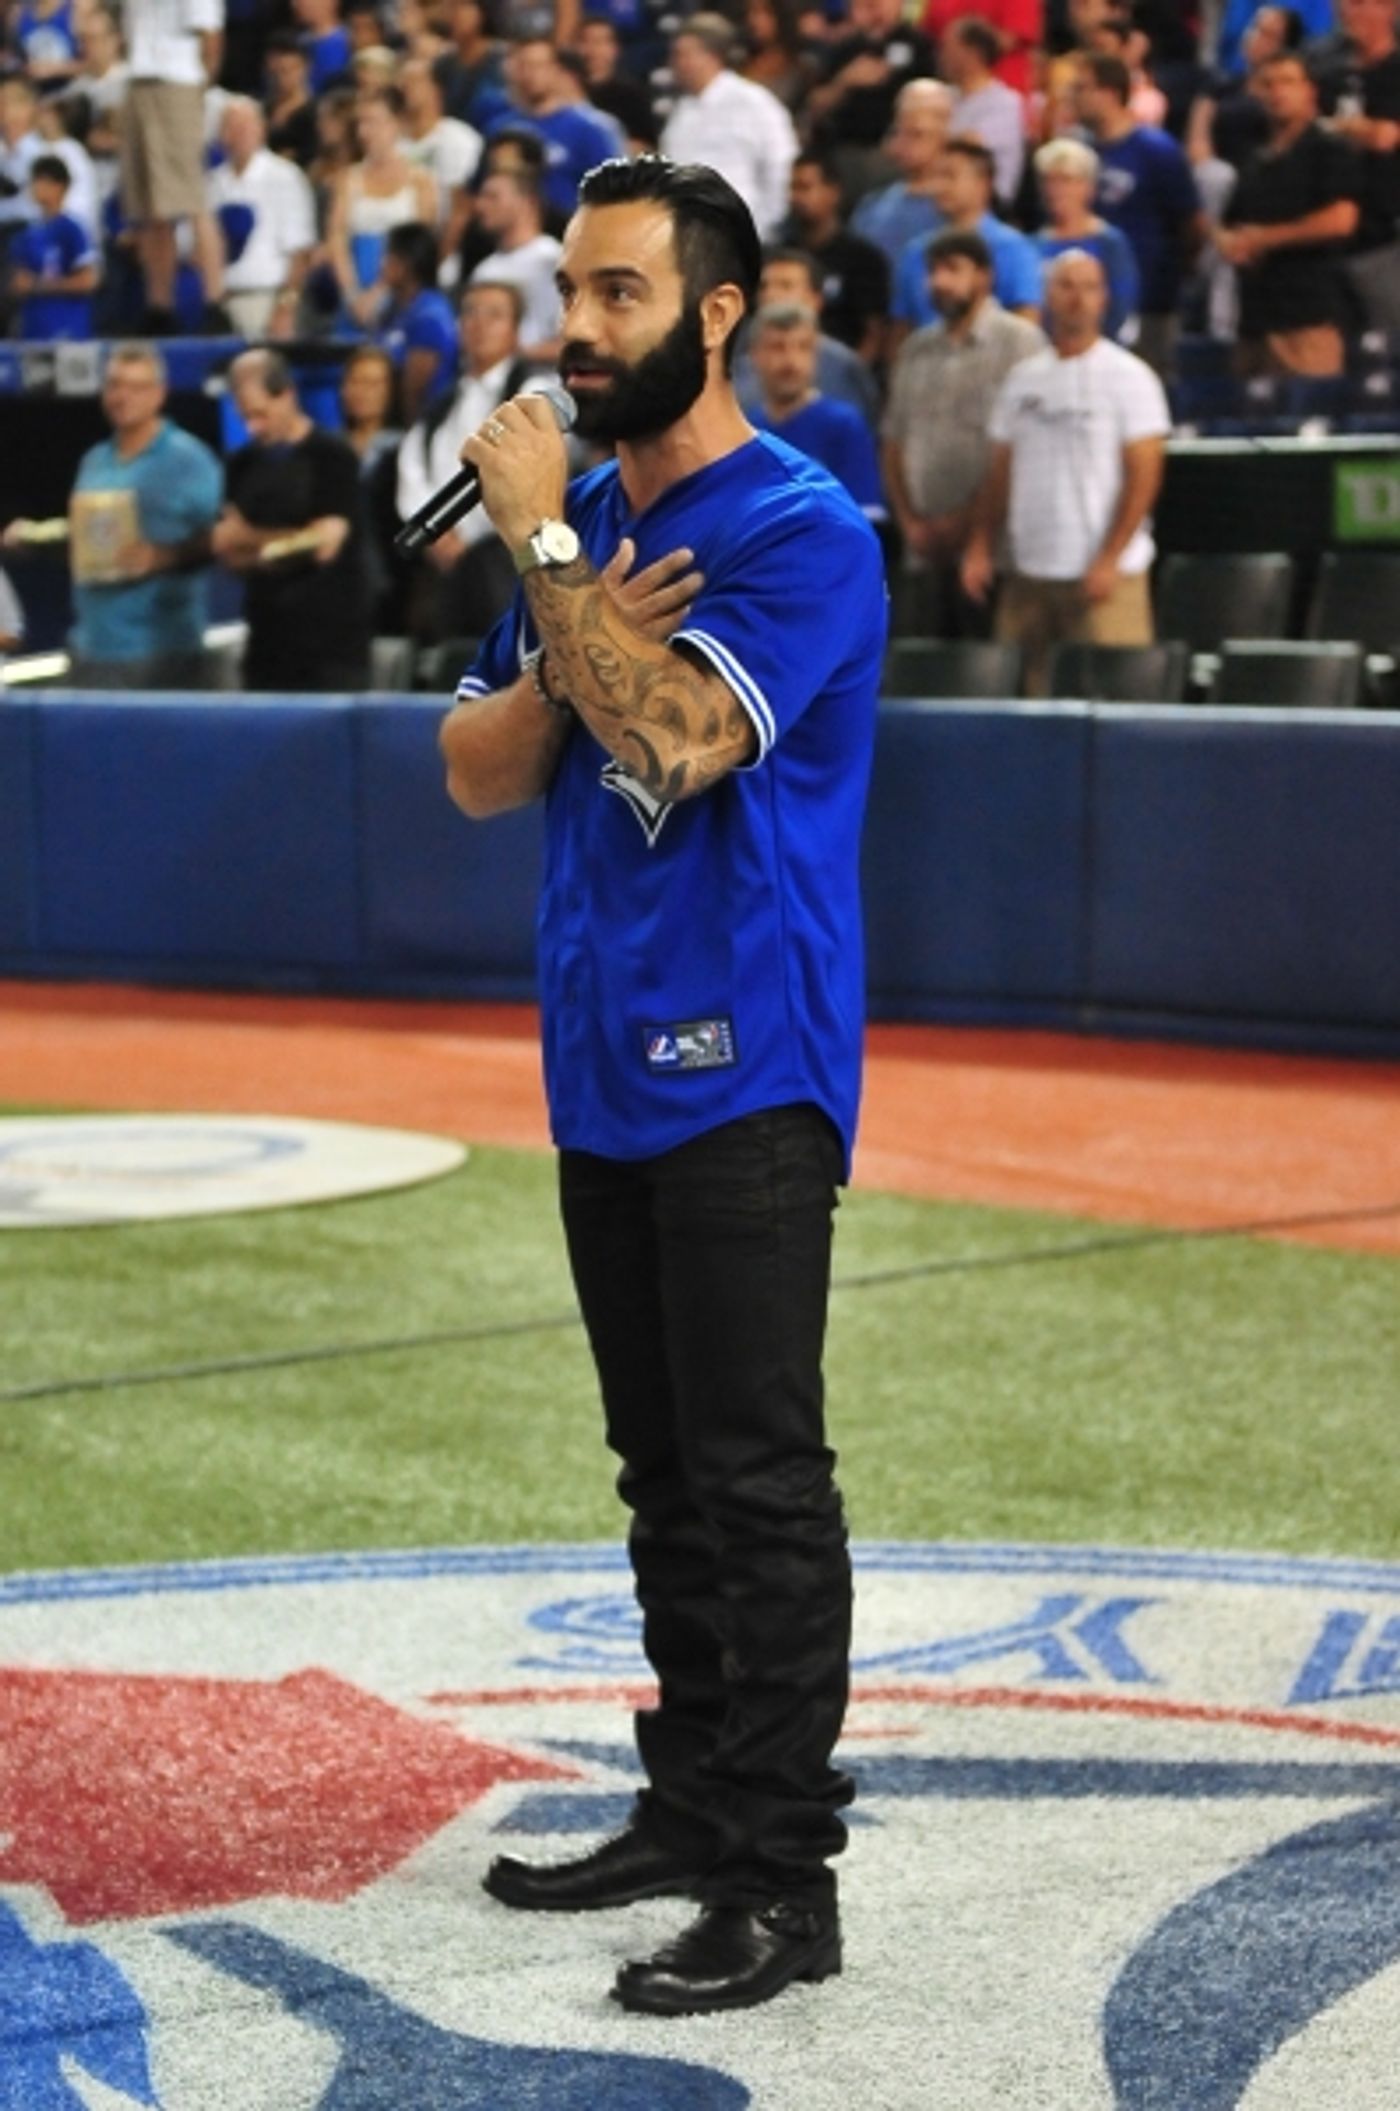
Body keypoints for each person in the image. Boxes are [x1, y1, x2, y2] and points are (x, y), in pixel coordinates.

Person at [440, 152, 886, 2017]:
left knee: (758, 1477)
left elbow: (679, 736)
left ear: (717, 313)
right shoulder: (602, 520)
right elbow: (476, 763)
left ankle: (782, 1879)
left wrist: (551, 561)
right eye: (569, 289)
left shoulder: (801, 527)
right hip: (601, 1057)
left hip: (748, 1064)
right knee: (662, 1473)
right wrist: (567, 604)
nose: (576, 328)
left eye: (617, 293)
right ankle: (695, 1804)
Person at [961, 249, 1170, 695]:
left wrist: (1110, 558)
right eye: (1066, 286)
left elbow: (1145, 475)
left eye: (1089, 287)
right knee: (1025, 706)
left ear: (1104, 299)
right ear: (1048, 295)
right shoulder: (1022, 380)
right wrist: (981, 545)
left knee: (1116, 703)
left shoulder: (1130, 377)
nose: (1078, 298)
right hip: (1029, 574)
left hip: (1105, 579)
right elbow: (1000, 471)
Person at [2, 342, 223, 688]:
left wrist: (163, 557)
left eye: (135, 387)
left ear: (159, 394)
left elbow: (223, 537)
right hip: (90, 645)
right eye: (114, 385)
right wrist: (35, 538)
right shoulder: (95, 460)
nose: (123, 396)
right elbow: (87, 536)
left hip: (162, 652)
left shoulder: (188, 459)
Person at [883, 227, 1043, 635]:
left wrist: (967, 525)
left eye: (953, 270)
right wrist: (910, 523)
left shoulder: (1020, 343)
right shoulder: (915, 348)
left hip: (990, 550)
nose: (940, 282)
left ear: (985, 277)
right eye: (933, 271)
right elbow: (893, 442)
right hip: (921, 548)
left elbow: (1019, 449)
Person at [213, 346, 372, 690]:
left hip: (330, 650)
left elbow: (323, 545)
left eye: (260, 414)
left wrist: (250, 539)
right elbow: (227, 549)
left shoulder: (332, 457)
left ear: (287, 395)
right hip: (265, 645)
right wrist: (282, 544)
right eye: (245, 418)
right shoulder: (240, 465)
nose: (253, 427)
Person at [395, 275, 537, 638]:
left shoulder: (531, 393)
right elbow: (413, 465)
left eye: (494, 315)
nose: (479, 324)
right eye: (470, 313)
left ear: (515, 331)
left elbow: (526, 474)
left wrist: (469, 536)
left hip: (504, 557)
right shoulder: (443, 401)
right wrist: (435, 529)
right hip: (442, 559)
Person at [1218, 50, 1361, 376]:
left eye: (1287, 82)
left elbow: (1342, 219)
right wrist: (1229, 242)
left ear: (1309, 90)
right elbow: (1230, 222)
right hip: (1254, 320)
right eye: (1268, 84)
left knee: (1309, 417)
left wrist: (1265, 239)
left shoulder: (1328, 147)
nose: (1277, 92)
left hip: (1307, 318)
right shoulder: (1254, 155)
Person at [1075, 49, 1205, 376]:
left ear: (1110, 93)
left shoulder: (1156, 150)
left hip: (1150, 298)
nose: (1073, 97)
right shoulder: (1080, 154)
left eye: (1082, 88)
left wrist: (1172, 272)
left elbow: (1191, 222)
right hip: (1090, 303)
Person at [119, 0, 228, 332]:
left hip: (178, 81)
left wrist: (199, 85)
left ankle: (215, 302)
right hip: (138, 78)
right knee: (151, 204)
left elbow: (210, 36)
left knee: (192, 196)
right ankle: (159, 306)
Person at [888, 138, 1044, 351]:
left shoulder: (1014, 249)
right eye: (936, 176)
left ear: (983, 184)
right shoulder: (915, 252)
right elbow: (901, 332)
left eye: (950, 176)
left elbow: (1026, 325)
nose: (939, 186)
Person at [745, 301, 887, 525]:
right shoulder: (746, 430)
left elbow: (865, 514)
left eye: (802, 347)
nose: (790, 361)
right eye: (777, 347)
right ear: (755, 355)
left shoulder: (844, 425)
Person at [659, 14, 798, 240]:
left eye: (684, 54)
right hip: (688, 236)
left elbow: (781, 167)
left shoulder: (754, 102)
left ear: (713, 56)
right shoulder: (681, 112)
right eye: (675, 55)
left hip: (745, 234)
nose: (676, 63)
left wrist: (763, 229)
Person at [1314, 0, 1400, 332]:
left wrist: (1346, 129)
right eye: (1344, 4)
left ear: (1389, 7)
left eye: (1359, 3)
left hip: (1387, 234)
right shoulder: (1326, 70)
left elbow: (1384, 138)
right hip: (1332, 232)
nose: (1347, 11)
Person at [326, 84, 439, 324]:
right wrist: (352, 295)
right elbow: (337, 239)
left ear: (396, 123)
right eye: (361, 123)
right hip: (356, 283)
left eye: (374, 122)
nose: (364, 132)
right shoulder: (348, 179)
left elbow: (419, 243)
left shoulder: (421, 180)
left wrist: (380, 292)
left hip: (403, 288)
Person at [207, 96, 317, 338]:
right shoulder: (210, 184)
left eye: (246, 125)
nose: (239, 133)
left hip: (268, 300)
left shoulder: (285, 177)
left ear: (262, 129)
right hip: (220, 304)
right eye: (232, 126)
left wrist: (286, 307)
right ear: (221, 134)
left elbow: (300, 251)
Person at [806, 0, 938, 201]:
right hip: (844, 151)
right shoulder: (845, 48)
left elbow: (934, 102)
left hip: (894, 155)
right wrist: (845, 81)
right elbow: (815, 106)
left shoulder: (919, 45)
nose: (877, 5)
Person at [734, 245, 882, 423]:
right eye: (764, 287)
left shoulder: (844, 366)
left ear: (815, 299)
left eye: (785, 286)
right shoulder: (735, 361)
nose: (771, 295)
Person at [488, 34, 625, 220]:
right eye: (523, 66)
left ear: (556, 70)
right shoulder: (501, 129)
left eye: (538, 66)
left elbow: (614, 196)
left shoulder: (590, 129)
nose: (530, 74)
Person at [783, 148, 891, 361]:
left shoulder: (863, 258)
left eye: (805, 187)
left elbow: (874, 332)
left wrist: (851, 378)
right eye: (792, 188)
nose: (796, 197)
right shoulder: (780, 253)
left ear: (833, 192)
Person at [1033, 136, 1141, 341]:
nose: (1055, 190)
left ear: (1088, 187)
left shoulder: (1110, 243)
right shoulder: (1034, 243)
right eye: (1049, 180)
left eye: (1065, 180)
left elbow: (1120, 306)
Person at [849, 76, 953, 269]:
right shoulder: (871, 206)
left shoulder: (955, 210)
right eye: (898, 132)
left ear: (946, 136)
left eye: (916, 133)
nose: (903, 143)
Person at [467, 163, 561, 356]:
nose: (480, 205)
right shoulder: (484, 270)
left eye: (493, 197)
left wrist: (517, 355)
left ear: (528, 202)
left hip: (543, 379)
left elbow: (573, 342)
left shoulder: (553, 260)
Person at [375, 219, 461, 423]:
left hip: (422, 421)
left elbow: (415, 390)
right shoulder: (392, 308)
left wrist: (411, 438)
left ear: (408, 263)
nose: (382, 264)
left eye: (389, 257)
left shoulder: (430, 314)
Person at [8, 154, 99, 340]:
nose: (36, 187)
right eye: (34, 181)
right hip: (33, 330)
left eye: (42, 181)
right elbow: (18, 282)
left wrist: (39, 285)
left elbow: (88, 280)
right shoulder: (27, 233)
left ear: (60, 186)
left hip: (68, 328)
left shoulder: (72, 229)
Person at [941, 13, 1027, 206]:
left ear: (973, 53)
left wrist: (929, 136)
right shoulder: (946, 96)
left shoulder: (1005, 102)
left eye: (949, 47)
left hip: (989, 204)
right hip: (943, 195)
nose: (942, 54)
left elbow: (970, 144)